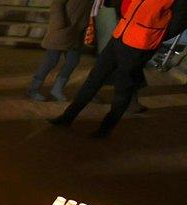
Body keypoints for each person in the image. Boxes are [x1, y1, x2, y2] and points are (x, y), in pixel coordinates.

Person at [49, 0, 187, 136]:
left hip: (140, 44)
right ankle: (67, 117)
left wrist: (154, 35)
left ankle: (105, 129)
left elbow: (179, 22)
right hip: (120, 35)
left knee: (123, 87)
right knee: (94, 78)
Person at [26, 0, 94, 101]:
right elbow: (57, 4)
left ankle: (57, 89)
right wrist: (60, 24)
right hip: (64, 29)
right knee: (51, 60)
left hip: (77, 30)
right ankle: (33, 88)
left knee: (73, 61)